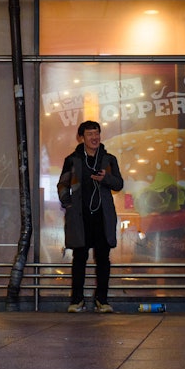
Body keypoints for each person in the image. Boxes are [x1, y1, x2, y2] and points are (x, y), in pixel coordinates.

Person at [57, 120, 124, 313]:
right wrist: (68, 203)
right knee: (79, 257)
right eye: (90, 134)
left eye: (97, 133)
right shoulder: (72, 160)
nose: (94, 137)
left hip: (103, 216)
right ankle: (77, 300)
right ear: (81, 138)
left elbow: (119, 184)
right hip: (80, 217)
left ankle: (102, 300)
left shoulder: (109, 159)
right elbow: (62, 184)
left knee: (103, 258)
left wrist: (106, 178)